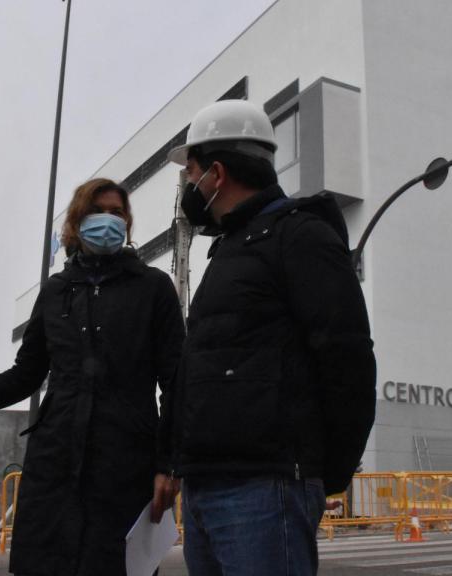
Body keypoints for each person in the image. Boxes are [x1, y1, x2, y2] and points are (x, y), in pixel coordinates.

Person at [0, 178, 186, 576]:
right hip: (54, 467)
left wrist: (170, 464)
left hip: (125, 468)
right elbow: (22, 377)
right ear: (77, 221)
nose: (109, 220)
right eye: (99, 211)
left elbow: (178, 383)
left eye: (118, 213)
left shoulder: (153, 288)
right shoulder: (57, 291)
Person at [159, 99, 377, 576]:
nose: (187, 187)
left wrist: (322, 474)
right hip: (207, 486)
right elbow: (198, 366)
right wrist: (175, 460)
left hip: (265, 490)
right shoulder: (230, 249)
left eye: (190, 173)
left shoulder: (299, 237)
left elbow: (348, 360)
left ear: (216, 173)